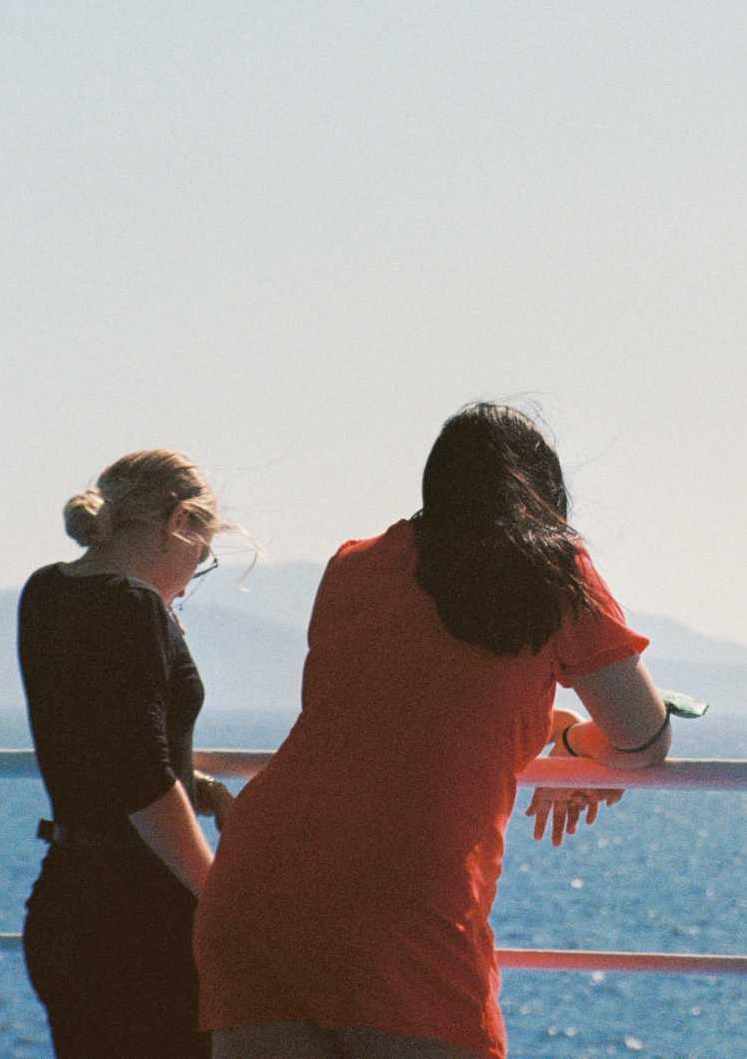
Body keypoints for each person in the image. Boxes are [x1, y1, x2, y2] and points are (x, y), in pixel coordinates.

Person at [195, 403, 673, 1059]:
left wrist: (555, 735)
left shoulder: (355, 565)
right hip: (402, 904)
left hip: (259, 886)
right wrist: (578, 746)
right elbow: (643, 738)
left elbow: (398, 715)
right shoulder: (553, 569)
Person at [19, 448, 240, 1059]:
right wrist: (221, 898)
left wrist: (199, 785)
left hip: (66, 902)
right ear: (181, 523)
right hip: (138, 920)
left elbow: (98, 746)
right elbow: (140, 778)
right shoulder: (133, 608)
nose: (198, 568)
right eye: (205, 549)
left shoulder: (44, 592)